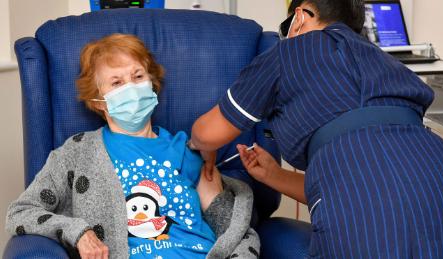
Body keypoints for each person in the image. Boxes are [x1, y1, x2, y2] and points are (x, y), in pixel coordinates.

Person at [190, 0, 443, 258]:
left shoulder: (288, 53)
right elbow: (376, 173)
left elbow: (207, 134)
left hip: (368, 211)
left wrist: (203, 148)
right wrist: (274, 175)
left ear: (300, 16)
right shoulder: (387, 62)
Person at [6, 34, 260, 259]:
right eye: (116, 83)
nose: (131, 88)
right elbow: (20, 212)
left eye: (138, 76)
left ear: (152, 83)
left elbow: (233, 228)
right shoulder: (77, 152)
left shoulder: (186, 150)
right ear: (99, 102)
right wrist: (78, 232)